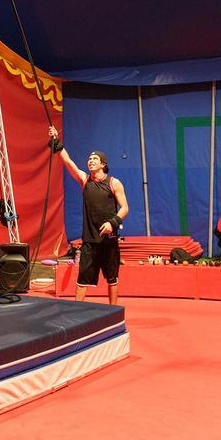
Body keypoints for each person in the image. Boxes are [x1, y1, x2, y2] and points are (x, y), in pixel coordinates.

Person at [48, 125, 128, 305]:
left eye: (94, 159)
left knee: (112, 278)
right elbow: (68, 161)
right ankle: (77, 312)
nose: (90, 161)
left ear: (103, 164)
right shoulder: (84, 180)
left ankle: (112, 310)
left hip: (109, 239)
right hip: (90, 241)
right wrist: (56, 140)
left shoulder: (114, 183)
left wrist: (112, 223)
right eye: (89, 159)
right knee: (82, 278)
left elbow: (124, 208)